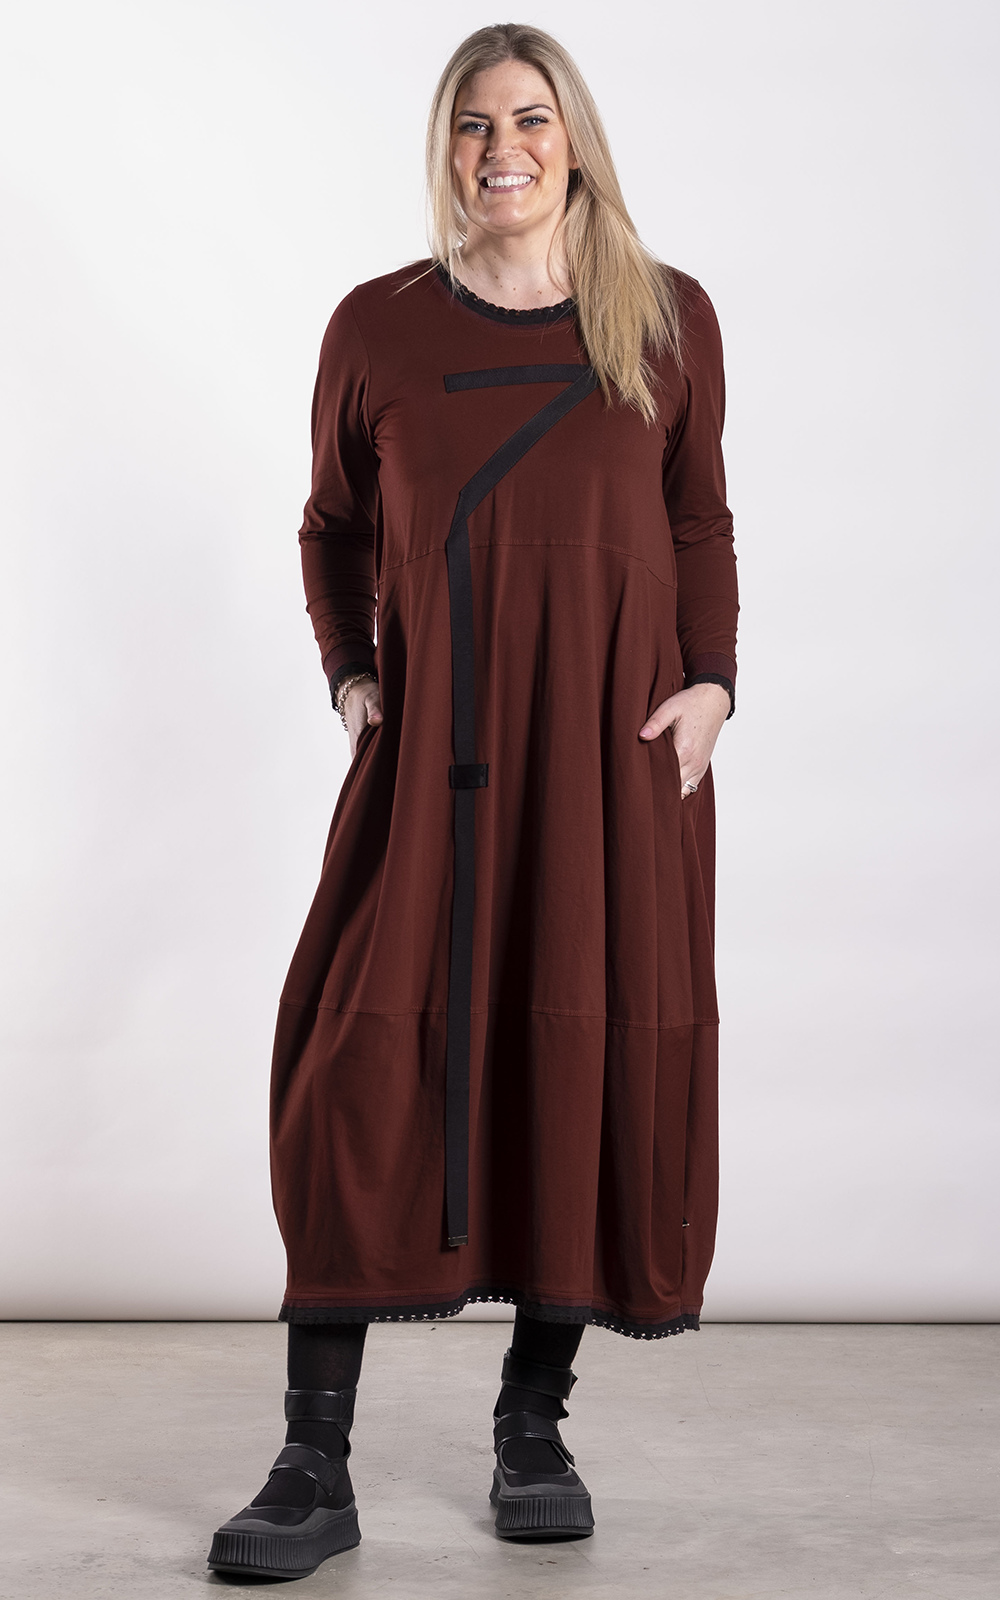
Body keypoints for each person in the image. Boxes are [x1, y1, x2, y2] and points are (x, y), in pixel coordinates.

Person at [208, 21, 738, 1581]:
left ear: (576, 139)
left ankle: (533, 1422)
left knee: (575, 1051)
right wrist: (352, 674)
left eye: (530, 118)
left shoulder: (669, 319)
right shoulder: (377, 327)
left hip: (607, 763)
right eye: (471, 123)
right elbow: (331, 529)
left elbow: (699, 520)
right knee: (357, 1066)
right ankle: (312, 1462)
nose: (501, 149)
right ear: (445, 149)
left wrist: (712, 683)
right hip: (432, 757)